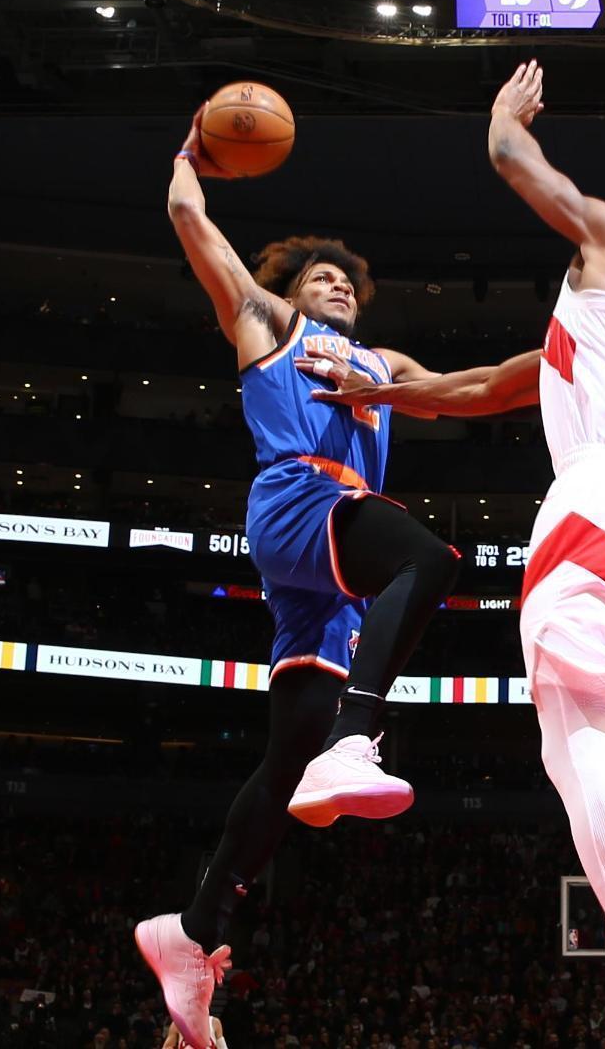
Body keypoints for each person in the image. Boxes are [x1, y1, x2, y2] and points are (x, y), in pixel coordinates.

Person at [312, 60, 605, 1047]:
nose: (595, 225)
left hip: (601, 507)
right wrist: (385, 396)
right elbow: (486, 385)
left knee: (572, 738)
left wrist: (504, 118)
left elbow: (516, 162)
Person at [135, 105, 462, 1049]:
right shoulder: (266, 322)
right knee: (430, 557)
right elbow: (193, 223)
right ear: (292, 287)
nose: (338, 285)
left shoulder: (385, 364)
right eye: (321, 274)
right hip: (298, 503)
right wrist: (191, 153)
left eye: (348, 279)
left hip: (336, 562)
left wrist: (572, 360)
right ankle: (361, 737)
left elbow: (469, 386)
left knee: (289, 755)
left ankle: (194, 937)